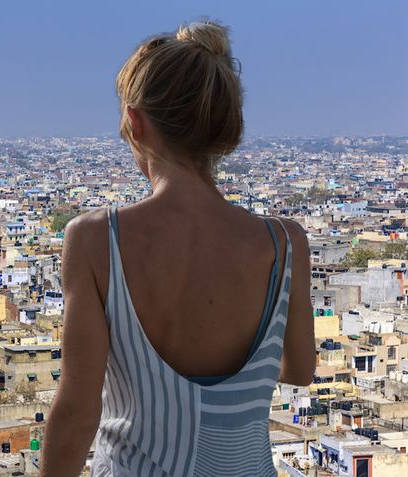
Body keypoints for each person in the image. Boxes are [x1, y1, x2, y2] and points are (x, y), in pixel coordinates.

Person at [40, 20, 315, 476]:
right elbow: (300, 370)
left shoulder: (95, 240)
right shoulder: (286, 244)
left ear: (135, 121)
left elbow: (77, 411)